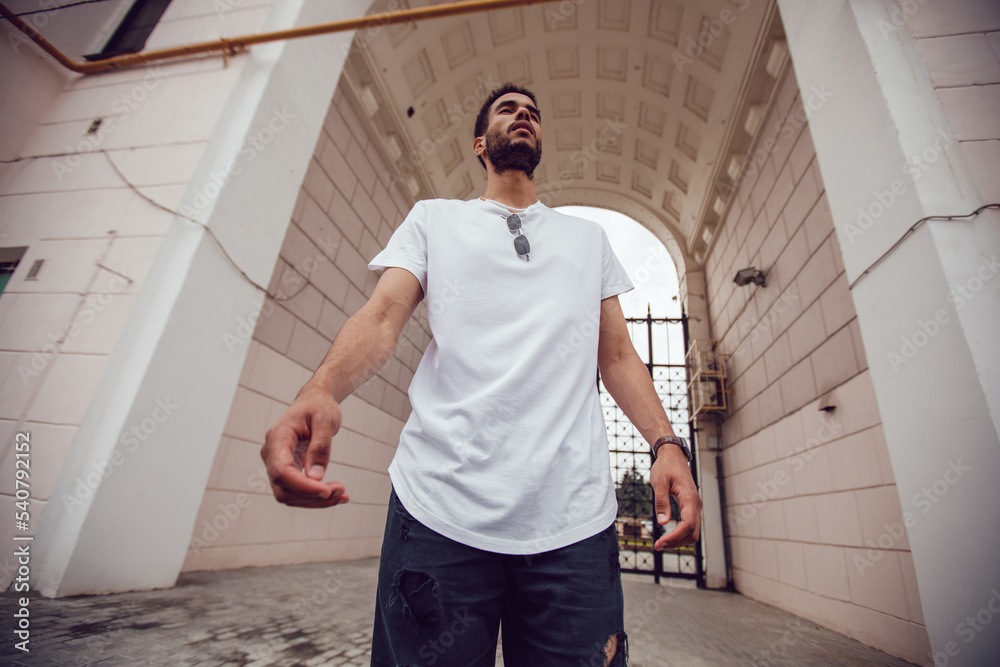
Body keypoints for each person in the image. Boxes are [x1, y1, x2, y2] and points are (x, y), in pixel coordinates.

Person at [260, 83, 702, 666]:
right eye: (508, 110)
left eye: (533, 113)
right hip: (439, 510)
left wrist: (666, 445)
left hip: (572, 527)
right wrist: (320, 388)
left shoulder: (586, 240)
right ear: (479, 143)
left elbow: (616, 354)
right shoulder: (433, 221)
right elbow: (384, 314)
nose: (524, 116)